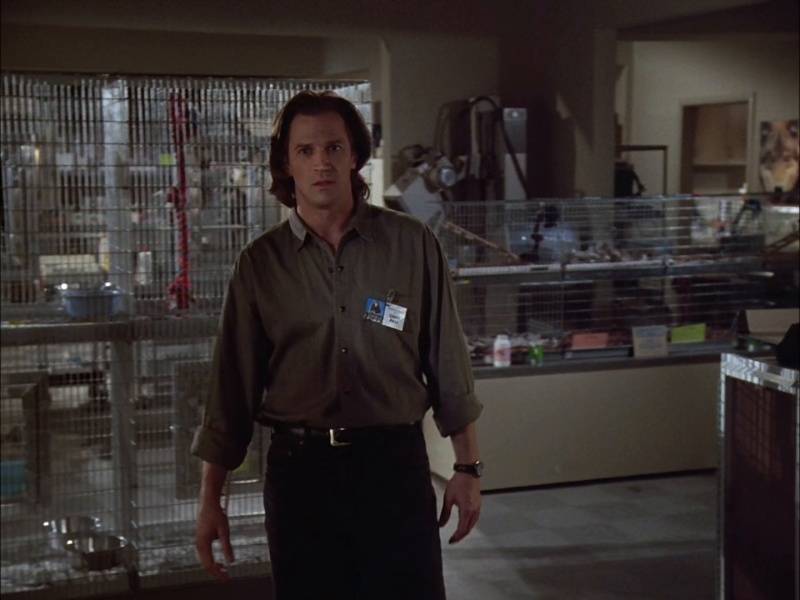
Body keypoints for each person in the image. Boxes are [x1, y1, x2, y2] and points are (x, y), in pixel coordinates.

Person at [192, 90, 484, 599]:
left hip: (392, 468)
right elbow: (231, 389)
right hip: (301, 476)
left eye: (333, 147)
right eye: (305, 151)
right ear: (287, 164)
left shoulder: (411, 244)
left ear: (355, 156)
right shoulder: (261, 264)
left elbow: (447, 361)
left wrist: (466, 467)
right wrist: (210, 498)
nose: (321, 163)